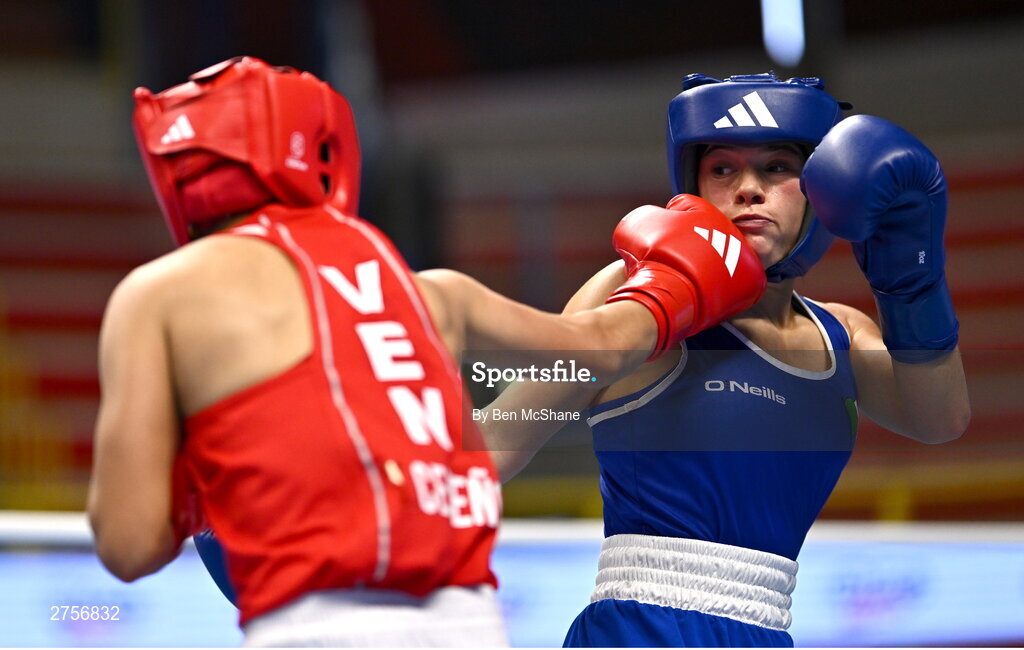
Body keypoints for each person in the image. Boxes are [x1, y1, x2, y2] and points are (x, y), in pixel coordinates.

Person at [86, 58, 767, 647]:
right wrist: (682, 276)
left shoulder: (160, 295)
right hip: (468, 623)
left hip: (312, 624)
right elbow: (605, 345)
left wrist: (200, 488)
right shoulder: (421, 288)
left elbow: (128, 544)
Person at [482, 73, 970, 647]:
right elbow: (494, 444)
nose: (748, 190)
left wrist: (912, 284)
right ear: (693, 185)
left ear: (821, 189)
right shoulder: (631, 290)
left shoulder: (841, 333)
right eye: (723, 170)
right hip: (639, 629)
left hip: (765, 630)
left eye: (776, 168)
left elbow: (940, 420)